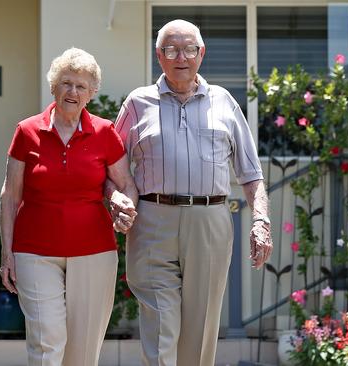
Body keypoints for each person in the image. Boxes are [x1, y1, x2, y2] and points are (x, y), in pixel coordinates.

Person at [110, 19, 273, 366]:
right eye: (171, 49)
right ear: (159, 55)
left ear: (202, 54)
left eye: (188, 49)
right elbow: (110, 165)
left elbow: (251, 174)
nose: (180, 57)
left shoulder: (224, 102)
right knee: (160, 326)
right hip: (152, 220)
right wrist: (115, 196)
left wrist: (261, 222)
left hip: (210, 221)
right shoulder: (138, 103)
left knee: (200, 331)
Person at [0, 47, 138, 366]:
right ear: (53, 86)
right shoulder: (27, 132)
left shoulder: (104, 133)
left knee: (83, 351)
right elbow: (9, 196)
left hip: (94, 252)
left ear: (91, 94)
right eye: (66, 82)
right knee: (48, 341)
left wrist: (125, 206)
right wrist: (7, 254)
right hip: (34, 251)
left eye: (81, 86)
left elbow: (125, 183)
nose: (72, 91)